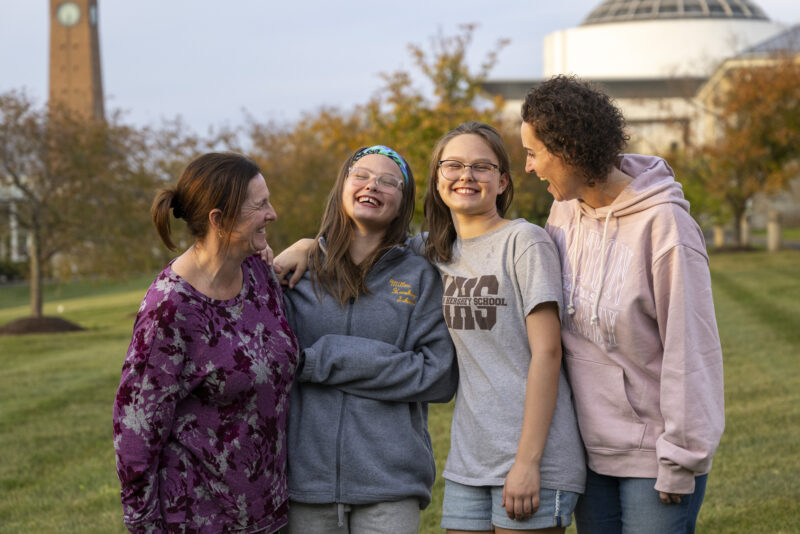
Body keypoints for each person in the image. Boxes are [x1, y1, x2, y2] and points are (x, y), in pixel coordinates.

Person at [520, 75, 725, 534]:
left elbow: (691, 352)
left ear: (570, 149)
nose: (528, 167)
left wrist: (681, 457)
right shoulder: (563, 212)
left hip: (657, 456)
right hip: (587, 453)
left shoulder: (666, 226)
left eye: (534, 153)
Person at [113, 152, 299, 533]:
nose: (273, 213)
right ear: (219, 219)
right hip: (198, 516)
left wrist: (310, 245)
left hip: (269, 511)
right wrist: (143, 524)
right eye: (261, 204)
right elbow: (136, 427)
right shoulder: (170, 306)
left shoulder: (259, 273)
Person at [280, 145, 458, 534]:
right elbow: (275, 360)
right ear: (342, 187)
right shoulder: (295, 275)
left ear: (402, 203)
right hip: (304, 486)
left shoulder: (420, 277)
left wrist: (320, 360)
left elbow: (439, 375)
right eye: (361, 175)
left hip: (389, 487)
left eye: (388, 181)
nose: (372, 185)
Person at [422, 121, 585, 534]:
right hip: (468, 460)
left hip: (535, 457)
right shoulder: (438, 252)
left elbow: (548, 353)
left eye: (481, 167)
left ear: (502, 181)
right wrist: (307, 246)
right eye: (453, 165)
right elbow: (366, 246)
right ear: (438, 177)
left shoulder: (524, 242)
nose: (466, 176)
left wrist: (527, 463)